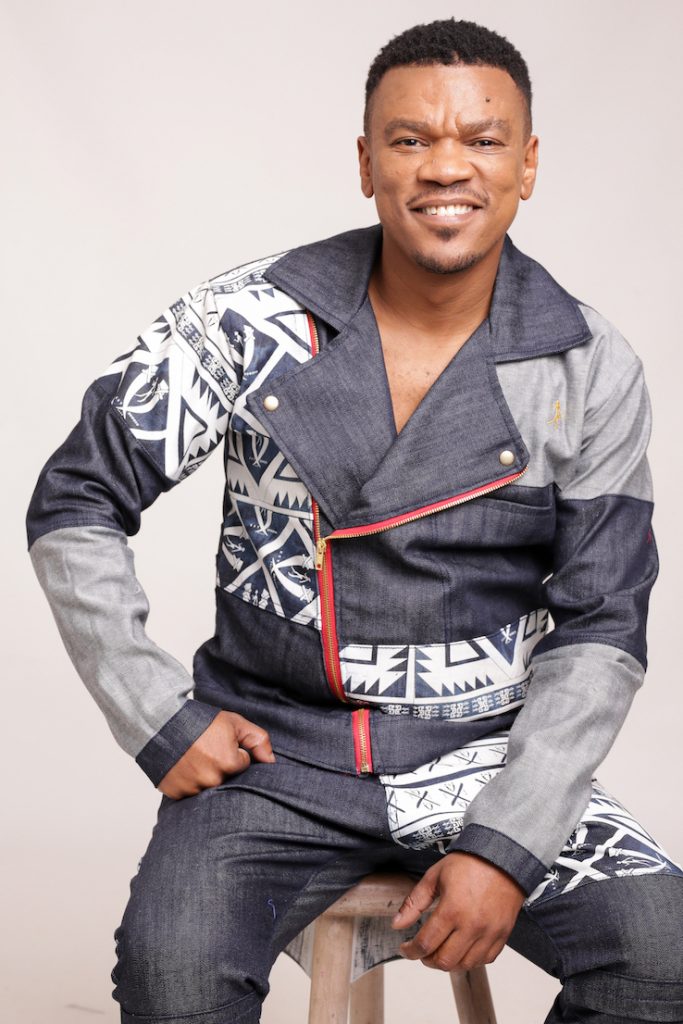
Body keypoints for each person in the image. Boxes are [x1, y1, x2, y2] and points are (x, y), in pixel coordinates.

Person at [27, 17, 683, 1024]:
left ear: (526, 164)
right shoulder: (245, 320)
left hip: (486, 754)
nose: (445, 167)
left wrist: (506, 841)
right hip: (274, 759)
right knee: (172, 978)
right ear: (366, 162)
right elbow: (77, 495)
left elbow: (603, 625)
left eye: (481, 138)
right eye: (409, 139)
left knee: (660, 954)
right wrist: (156, 711)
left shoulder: (586, 364)